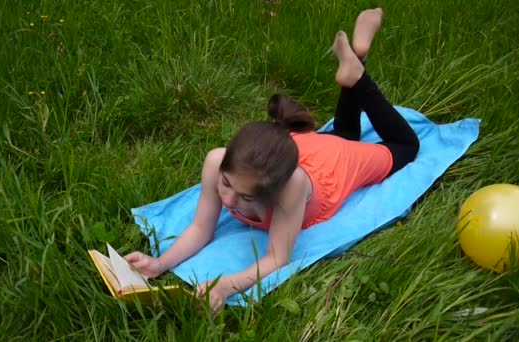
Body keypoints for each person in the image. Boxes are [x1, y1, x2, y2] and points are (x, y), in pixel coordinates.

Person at [125, 8, 420, 312]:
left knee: (404, 145)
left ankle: (358, 75)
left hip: (331, 166)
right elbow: (201, 229)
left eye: (245, 196)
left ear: (273, 189)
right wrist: (158, 264)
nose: (227, 199)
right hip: (296, 148)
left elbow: (277, 258)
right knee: (344, 132)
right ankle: (354, 64)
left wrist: (225, 285)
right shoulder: (217, 161)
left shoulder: (291, 186)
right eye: (226, 183)